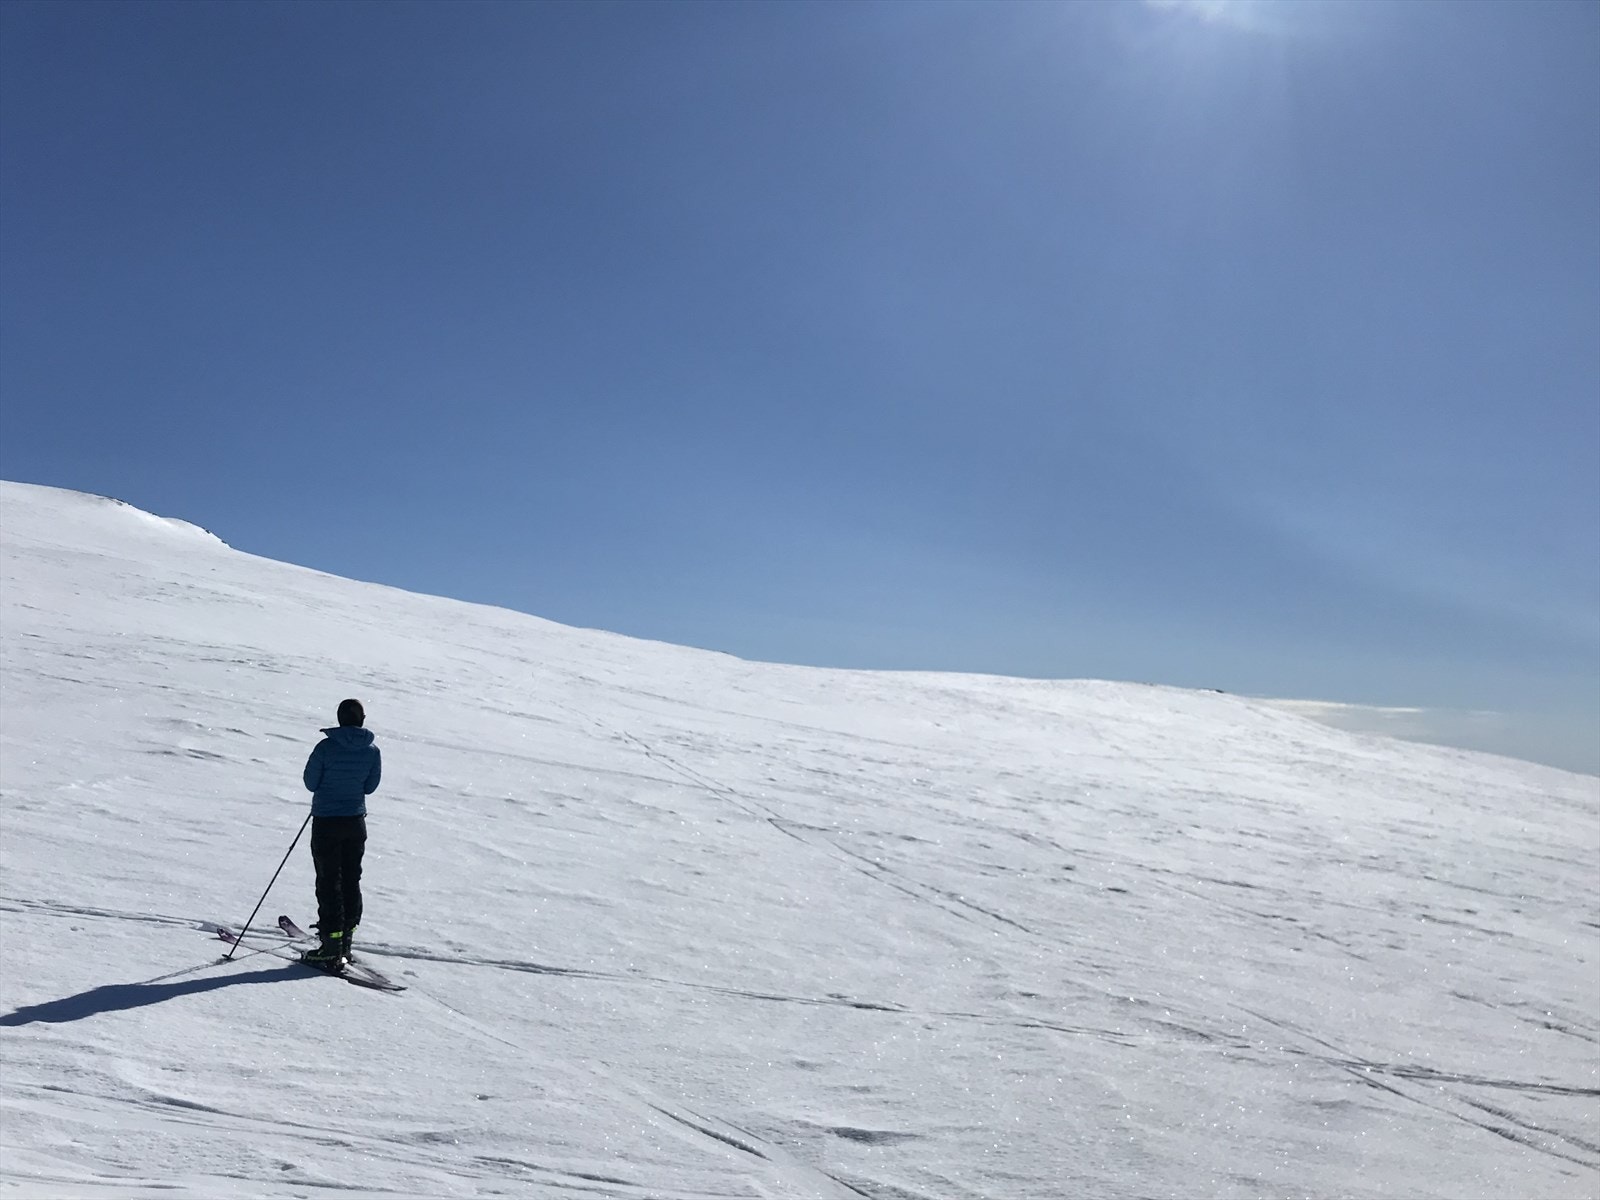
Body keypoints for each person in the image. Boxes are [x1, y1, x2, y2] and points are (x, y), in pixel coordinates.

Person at [301, 698, 381, 968]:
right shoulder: (372, 751)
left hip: (327, 821)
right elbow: (370, 787)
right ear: (362, 719)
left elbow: (311, 782)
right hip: (355, 822)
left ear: (339, 719)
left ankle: (330, 945)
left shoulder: (325, 748)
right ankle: (346, 938)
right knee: (350, 879)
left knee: (328, 880)